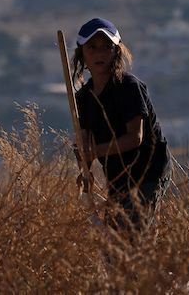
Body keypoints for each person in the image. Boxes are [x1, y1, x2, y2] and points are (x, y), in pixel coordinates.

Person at [71, 17, 170, 231]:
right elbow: (84, 141)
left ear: (116, 51)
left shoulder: (129, 87)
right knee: (115, 234)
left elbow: (135, 138)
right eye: (92, 47)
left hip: (147, 172)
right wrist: (84, 170)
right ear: (82, 54)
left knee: (132, 232)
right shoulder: (84, 98)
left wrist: (95, 151)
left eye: (106, 47)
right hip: (118, 176)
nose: (99, 53)